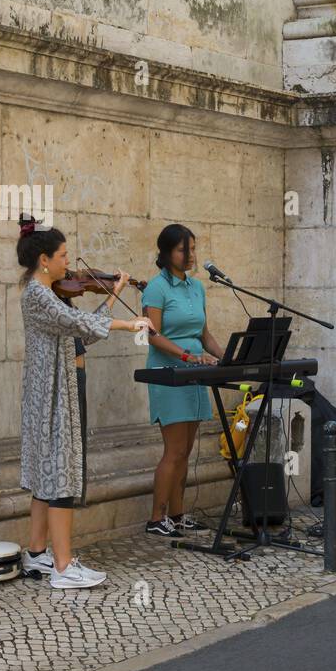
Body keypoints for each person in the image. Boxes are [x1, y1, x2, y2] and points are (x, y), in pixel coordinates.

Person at [16, 219, 150, 589]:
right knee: (60, 476)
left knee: (49, 475)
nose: (68, 263)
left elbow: (82, 332)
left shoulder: (46, 293)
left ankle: (39, 553)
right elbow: (76, 321)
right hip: (52, 395)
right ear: (44, 259)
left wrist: (112, 294)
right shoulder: (38, 295)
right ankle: (62, 567)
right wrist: (128, 323)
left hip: (56, 391)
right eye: (62, 256)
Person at [141, 224, 225, 538]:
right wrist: (188, 357)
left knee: (186, 451)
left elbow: (203, 334)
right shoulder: (156, 288)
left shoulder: (196, 287)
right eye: (183, 249)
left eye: (192, 248)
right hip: (170, 374)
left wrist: (226, 355)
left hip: (195, 373)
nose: (190, 255)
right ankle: (155, 518)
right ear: (165, 253)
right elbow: (152, 336)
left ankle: (177, 516)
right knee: (173, 450)